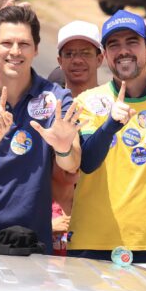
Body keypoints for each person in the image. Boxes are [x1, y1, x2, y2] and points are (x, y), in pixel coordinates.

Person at [0, 6, 84, 251]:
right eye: (6, 43)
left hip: (31, 239)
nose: (15, 51)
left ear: (36, 49)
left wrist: (63, 148)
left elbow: (72, 164)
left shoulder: (56, 97)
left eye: (23, 44)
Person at [68, 10, 146, 262]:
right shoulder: (88, 101)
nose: (123, 51)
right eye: (114, 45)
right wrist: (110, 124)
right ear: (105, 57)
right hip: (94, 242)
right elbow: (88, 162)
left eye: (132, 42)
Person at [51, 20, 104, 255]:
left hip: (103, 229)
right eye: (70, 53)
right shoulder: (45, 109)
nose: (77, 60)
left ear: (100, 58)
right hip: (54, 227)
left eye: (85, 53)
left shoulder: (117, 108)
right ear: (59, 61)